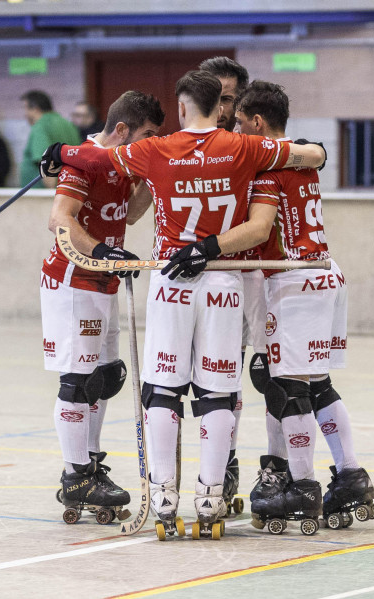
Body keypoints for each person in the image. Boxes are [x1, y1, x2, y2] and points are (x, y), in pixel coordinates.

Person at [39, 70, 326, 538]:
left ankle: (163, 494)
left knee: (161, 391)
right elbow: (306, 154)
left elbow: (103, 155)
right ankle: (211, 494)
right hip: (221, 280)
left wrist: (62, 151)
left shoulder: (155, 150)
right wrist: (321, 150)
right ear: (224, 108)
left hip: (170, 280)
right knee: (217, 391)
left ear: (181, 108)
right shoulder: (244, 148)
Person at [194, 80, 374, 533]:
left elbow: (259, 230)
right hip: (324, 272)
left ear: (257, 122)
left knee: (287, 389)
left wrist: (206, 247)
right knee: (318, 386)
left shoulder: (268, 170)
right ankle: (351, 474)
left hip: (295, 280)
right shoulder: (299, 157)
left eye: (240, 123)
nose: (236, 131)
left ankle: (303, 486)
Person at [42, 91, 164, 525]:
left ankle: (90, 463)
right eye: (148, 136)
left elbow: (129, 215)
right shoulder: (84, 160)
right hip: (74, 279)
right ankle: (76, 474)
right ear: (123, 130)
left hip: (104, 280)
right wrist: (103, 251)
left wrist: (154, 176)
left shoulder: (124, 163)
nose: (152, 143)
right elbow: (60, 219)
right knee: (77, 379)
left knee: (105, 377)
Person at [198, 55, 258, 514]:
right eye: (212, 97)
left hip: (236, 278)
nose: (219, 108)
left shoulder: (248, 146)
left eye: (228, 99)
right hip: (185, 280)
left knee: (227, 376)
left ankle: (227, 462)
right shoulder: (180, 143)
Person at [20, 90, 81, 188]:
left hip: (42, 196)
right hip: (69, 188)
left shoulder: (40, 126)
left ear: (35, 109)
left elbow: (46, 162)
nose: (25, 114)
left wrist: (50, 193)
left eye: (26, 109)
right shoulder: (67, 124)